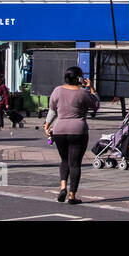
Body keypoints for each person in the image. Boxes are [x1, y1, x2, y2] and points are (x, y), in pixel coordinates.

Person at [44, 66, 100, 204]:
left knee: (64, 160)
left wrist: (46, 126)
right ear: (79, 78)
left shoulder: (57, 90)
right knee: (75, 164)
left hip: (59, 130)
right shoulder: (83, 93)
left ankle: (63, 186)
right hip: (78, 131)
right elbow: (96, 105)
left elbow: (52, 111)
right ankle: (72, 195)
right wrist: (92, 88)